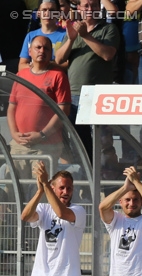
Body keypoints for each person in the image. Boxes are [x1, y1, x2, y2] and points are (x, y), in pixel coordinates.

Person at [55, 0, 119, 156]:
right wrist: (71, 39)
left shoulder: (108, 29)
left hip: (97, 96)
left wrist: (85, 36)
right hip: (73, 95)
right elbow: (58, 59)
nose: (90, 9)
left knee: (102, 143)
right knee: (80, 143)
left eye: (94, 6)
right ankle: (85, 176)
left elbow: (107, 54)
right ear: (79, 8)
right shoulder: (73, 30)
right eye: (86, 6)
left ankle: (103, 175)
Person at [8, 36, 71, 180]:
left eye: (46, 48)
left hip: (47, 146)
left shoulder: (59, 76)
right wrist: (13, 133)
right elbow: (12, 107)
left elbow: (63, 111)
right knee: (16, 191)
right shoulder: (20, 75)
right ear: (30, 51)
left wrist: (42, 134)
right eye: (38, 47)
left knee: (42, 191)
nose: (42, 51)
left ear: (51, 53)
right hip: (19, 144)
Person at [18, 0, 67, 70]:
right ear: (38, 13)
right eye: (44, 10)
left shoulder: (67, 35)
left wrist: (46, 65)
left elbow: (69, 64)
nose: (47, 13)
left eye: (52, 10)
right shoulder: (30, 36)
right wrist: (36, 67)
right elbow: (21, 66)